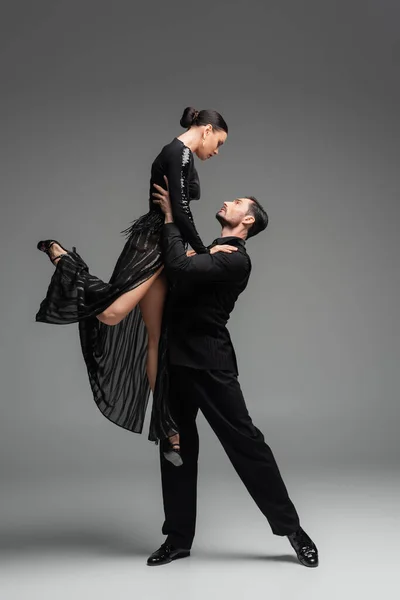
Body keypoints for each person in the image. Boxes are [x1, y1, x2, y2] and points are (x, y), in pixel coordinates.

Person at [35, 107, 233, 462]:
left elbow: (191, 195)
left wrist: (187, 173)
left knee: (157, 337)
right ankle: (64, 259)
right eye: (218, 142)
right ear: (206, 129)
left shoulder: (182, 154)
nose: (217, 152)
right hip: (153, 242)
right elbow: (183, 209)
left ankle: (169, 431)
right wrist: (203, 251)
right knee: (112, 313)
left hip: (169, 244)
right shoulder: (176, 152)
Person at [146, 181, 319, 568]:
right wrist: (192, 245)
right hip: (176, 363)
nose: (227, 200)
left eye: (237, 202)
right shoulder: (212, 251)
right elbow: (180, 269)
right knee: (174, 449)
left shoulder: (235, 259)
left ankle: (293, 530)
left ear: (248, 219)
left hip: (211, 365)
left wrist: (173, 219)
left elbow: (178, 266)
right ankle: (177, 539)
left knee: (247, 446)